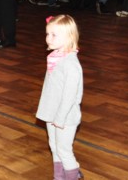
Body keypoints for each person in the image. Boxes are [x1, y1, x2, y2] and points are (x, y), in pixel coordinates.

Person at [36, 14, 83, 180]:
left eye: (54, 35)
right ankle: (59, 177)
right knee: (54, 146)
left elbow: (70, 97)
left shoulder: (71, 64)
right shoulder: (55, 57)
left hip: (65, 116)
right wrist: (48, 112)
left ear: (69, 37)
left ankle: (72, 175)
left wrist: (60, 118)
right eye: (47, 34)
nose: (48, 38)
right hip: (52, 112)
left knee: (64, 150)